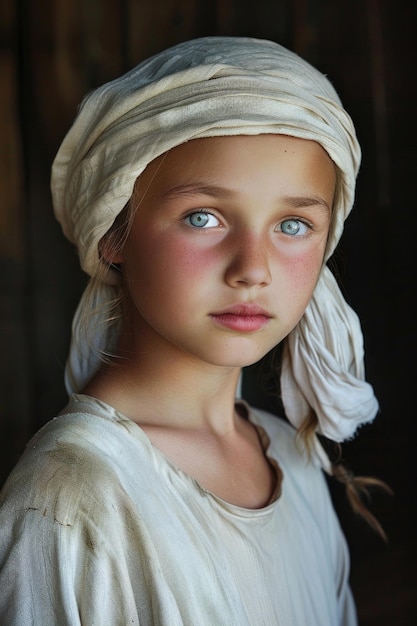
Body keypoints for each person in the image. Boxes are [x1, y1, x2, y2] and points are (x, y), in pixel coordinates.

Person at [0, 36, 389, 625]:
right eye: (202, 218)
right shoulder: (74, 494)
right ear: (115, 232)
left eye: (292, 224)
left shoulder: (291, 457)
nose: (253, 269)